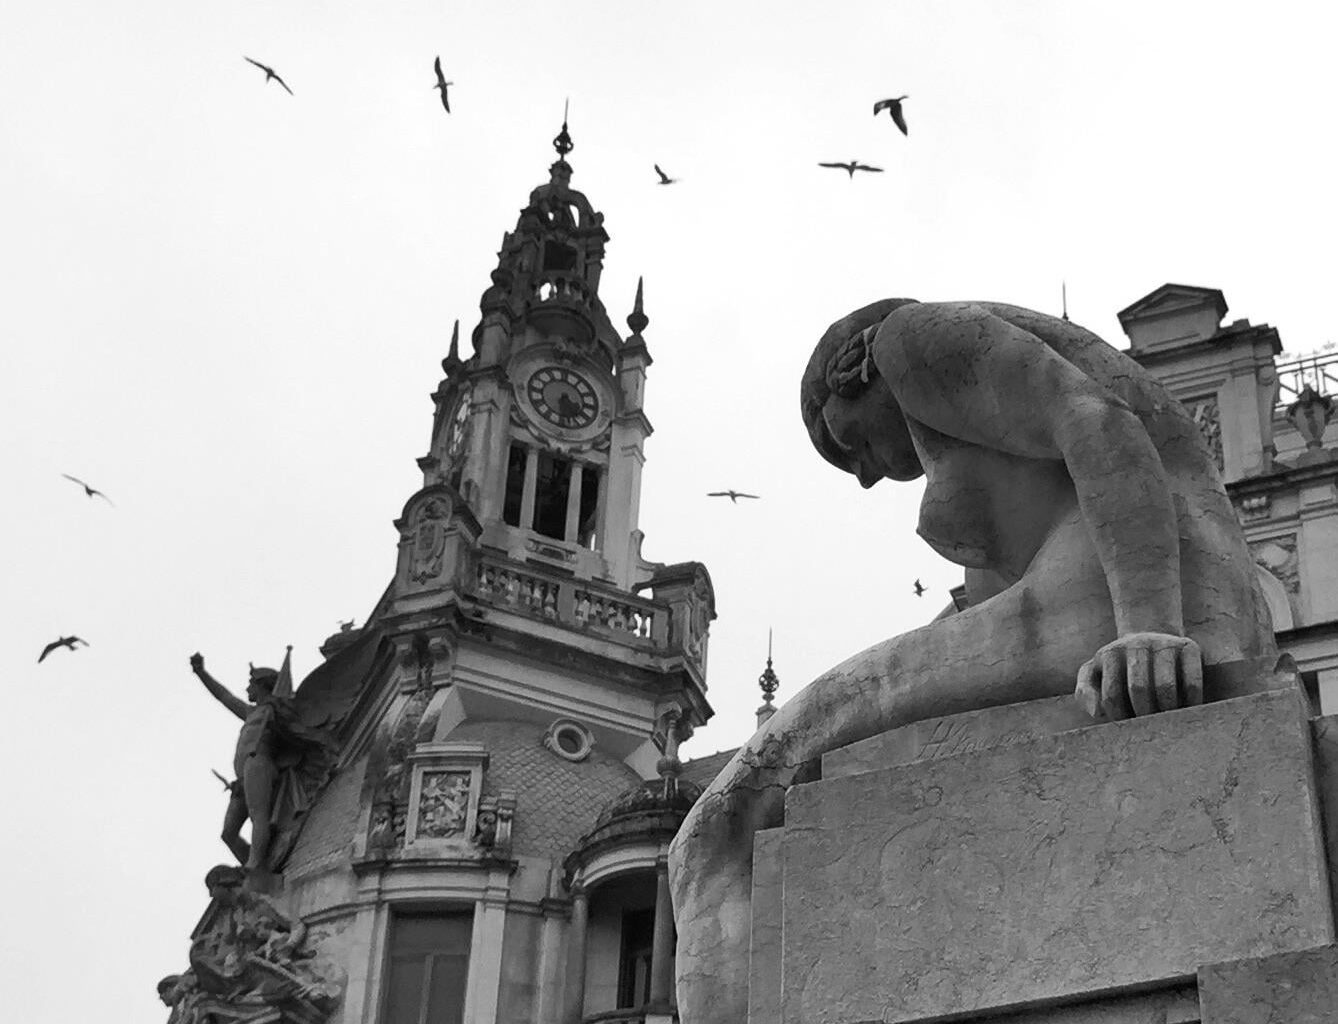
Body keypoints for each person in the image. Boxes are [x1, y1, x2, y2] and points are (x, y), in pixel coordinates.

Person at [667, 298, 1276, 1024]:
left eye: (842, 444)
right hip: (1138, 600)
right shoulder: (982, 411)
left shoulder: (908, 340)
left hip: (1113, 605)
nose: (861, 476)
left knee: (714, 829)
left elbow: (1097, 422)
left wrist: (1145, 629)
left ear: (850, 370)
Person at [190, 654, 283, 872]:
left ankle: (255, 865)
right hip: (243, 775)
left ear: (262, 686)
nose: (246, 688)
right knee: (228, 833)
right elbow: (224, 696)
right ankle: (255, 865)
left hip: (259, 762)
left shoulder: (274, 711)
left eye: (251, 684)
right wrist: (201, 673)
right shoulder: (251, 712)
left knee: (258, 815)